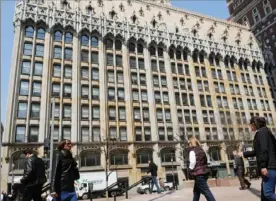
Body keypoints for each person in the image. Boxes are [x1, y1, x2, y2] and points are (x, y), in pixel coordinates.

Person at [240, 116, 276, 201]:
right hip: (270, 166)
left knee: (268, 194)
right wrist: (244, 153)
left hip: (269, 167)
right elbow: (258, 151)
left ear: (254, 124)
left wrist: (263, 166)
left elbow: (264, 150)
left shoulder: (261, 133)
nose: (250, 127)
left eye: (250, 125)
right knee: (264, 196)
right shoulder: (266, 132)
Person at [188, 136, 216, 201]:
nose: (188, 145)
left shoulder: (192, 151)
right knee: (196, 191)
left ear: (191, 143)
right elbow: (206, 161)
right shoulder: (202, 150)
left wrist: (189, 170)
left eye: (188, 143)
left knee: (206, 191)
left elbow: (192, 163)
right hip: (204, 172)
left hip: (198, 174)